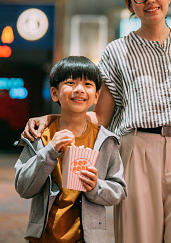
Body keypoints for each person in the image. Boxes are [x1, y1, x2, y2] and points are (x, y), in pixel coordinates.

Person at [22, 0, 171, 243]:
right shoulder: (117, 51)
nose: (150, 0)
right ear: (129, 3)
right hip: (137, 150)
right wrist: (50, 120)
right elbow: (101, 117)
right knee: (137, 237)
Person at [14, 56, 127, 243]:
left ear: (97, 95)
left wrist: (95, 186)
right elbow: (23, 188)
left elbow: (119, 190)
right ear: (54, 93)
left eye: (88, 84)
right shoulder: (41, 136)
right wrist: (49, 152)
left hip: (87, 239)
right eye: (70, 82)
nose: (79, 89)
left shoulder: (105, 141)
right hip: (43, 237)